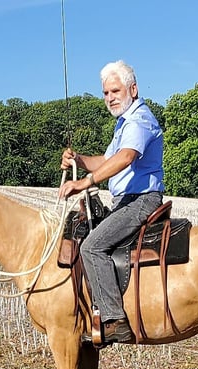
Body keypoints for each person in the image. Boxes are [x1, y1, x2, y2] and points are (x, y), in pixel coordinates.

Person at [59, 60, 165, 344]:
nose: (110, 98)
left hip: (141, 199)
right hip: (126, 200)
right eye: (106, 93)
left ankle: (114, 320)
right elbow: (105, 161)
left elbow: (125, 157)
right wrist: (79, 161)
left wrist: (85, 182)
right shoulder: (123, 124)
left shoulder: (139, 120)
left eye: (115, 90)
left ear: (133, 88)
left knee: (93, 247)